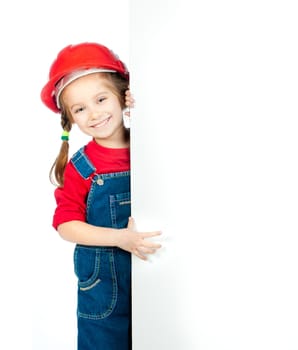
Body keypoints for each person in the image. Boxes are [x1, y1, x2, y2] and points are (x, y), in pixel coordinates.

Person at [40, 42, 162, 350]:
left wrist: (147, 104)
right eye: (80, 109)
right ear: (70, 119)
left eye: (101, 99)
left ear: (123, 96)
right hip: (104, 286)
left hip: (155, 272)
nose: (94, 113)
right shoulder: (82, 168)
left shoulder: (153, 143)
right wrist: (120, 238)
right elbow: (66, 225)